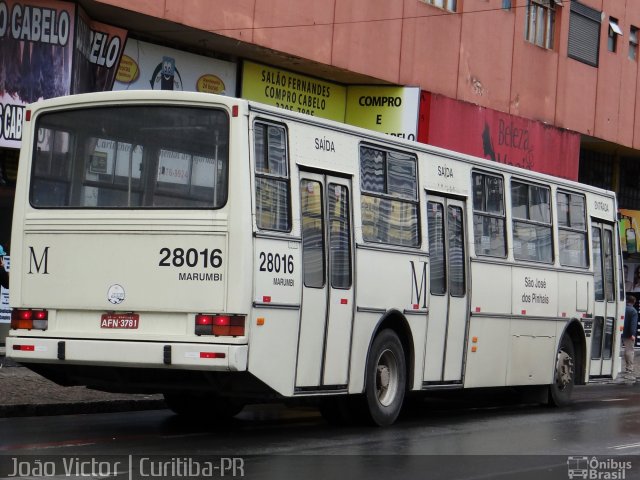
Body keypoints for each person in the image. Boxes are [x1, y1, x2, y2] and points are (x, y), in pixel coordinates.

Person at [622, 295, 638, 384]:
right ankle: (629, 368)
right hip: (628, 334)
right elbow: (633, 324)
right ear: (634, 302)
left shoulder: (623, 308)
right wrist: (632, 334)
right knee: (629, 351)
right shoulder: (633, 311)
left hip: (621, 332)